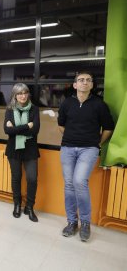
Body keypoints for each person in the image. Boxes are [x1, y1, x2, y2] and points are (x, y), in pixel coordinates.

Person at [58, 71, 114, 242]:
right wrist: (73, 136)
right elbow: (61, 125)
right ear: (75, 85)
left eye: (88, 80)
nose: (84, 82)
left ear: (92, 85)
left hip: (89, 149)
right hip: (67, 148)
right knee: (69, 184)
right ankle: (72, 222)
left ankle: (86, 223)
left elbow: (108, 128)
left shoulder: (99, 105)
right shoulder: (67, 103)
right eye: (81, 80)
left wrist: (97, 143)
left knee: (79, 182)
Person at [4, 83, 40, 222]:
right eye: (19, 93)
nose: (23, 96)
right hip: (13, 148)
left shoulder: (34, 109)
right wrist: (26, 126)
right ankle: (17, 204)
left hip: (30, 149)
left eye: (25, 93)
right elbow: (7, 131)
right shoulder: (9, 109)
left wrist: (16, 128)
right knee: (16, 178)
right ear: (15, 95)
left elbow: (35, 130)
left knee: (32, 178)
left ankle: (29, 207)